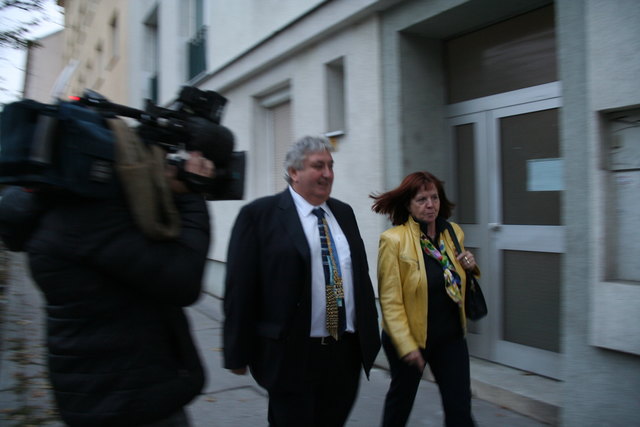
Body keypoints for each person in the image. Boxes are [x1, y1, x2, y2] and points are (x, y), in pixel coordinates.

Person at [0, 151, 215, 427]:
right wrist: (191, 193)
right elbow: (183, 280)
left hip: (89, 390)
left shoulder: (51, 212)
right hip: (133, 398)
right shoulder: (87, 220)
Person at [223, 135, 381, 426]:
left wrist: (371, 334)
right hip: (291, 354)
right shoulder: (259, 216)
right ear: (294, 172)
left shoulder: (343, 213)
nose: (328, 174)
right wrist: (237, 352)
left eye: (331, 166)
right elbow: (240, 289)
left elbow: (358, 275)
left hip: (344, 353)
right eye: (318, 166)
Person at [370, 171, 479, 427]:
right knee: (401, 402)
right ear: (408, 205)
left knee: (460, 407)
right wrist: (406, 345)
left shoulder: (453, 233)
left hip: (450, 336)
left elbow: (456, 278)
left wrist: (470, 266)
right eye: (421, 199)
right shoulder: (393, 241)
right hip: (411, 337)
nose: (430, 205)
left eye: (434, 197)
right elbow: (390, 301)